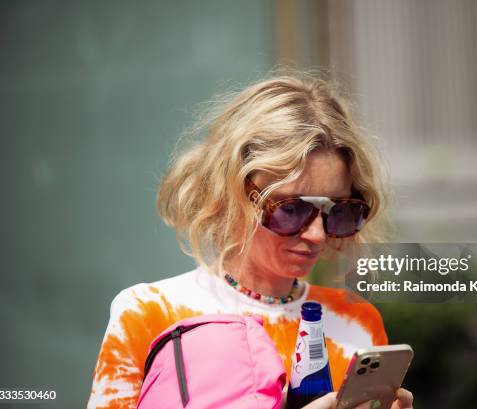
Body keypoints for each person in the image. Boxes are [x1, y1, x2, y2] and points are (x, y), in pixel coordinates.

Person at [87, 74, 414, 409]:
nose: (317, 234)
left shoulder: (356, 320)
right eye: (290, 209)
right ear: (231, 193)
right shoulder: (150, 313)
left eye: (340, 211)